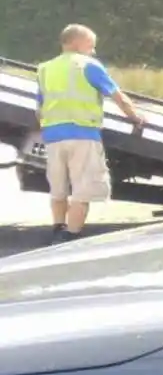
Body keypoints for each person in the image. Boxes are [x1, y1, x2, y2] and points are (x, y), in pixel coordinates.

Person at [35, 24, 143, 240]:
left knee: (58, 187)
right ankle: (70, 235)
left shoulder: (45, 68)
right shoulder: (88, 66)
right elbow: (118, 96)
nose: (93, 51)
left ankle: (58, 229)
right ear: (77, 42)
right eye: (90, 45)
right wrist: (136, 118)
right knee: (83, 189)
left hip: (53, 137)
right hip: (82, 135)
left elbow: (39, 108)